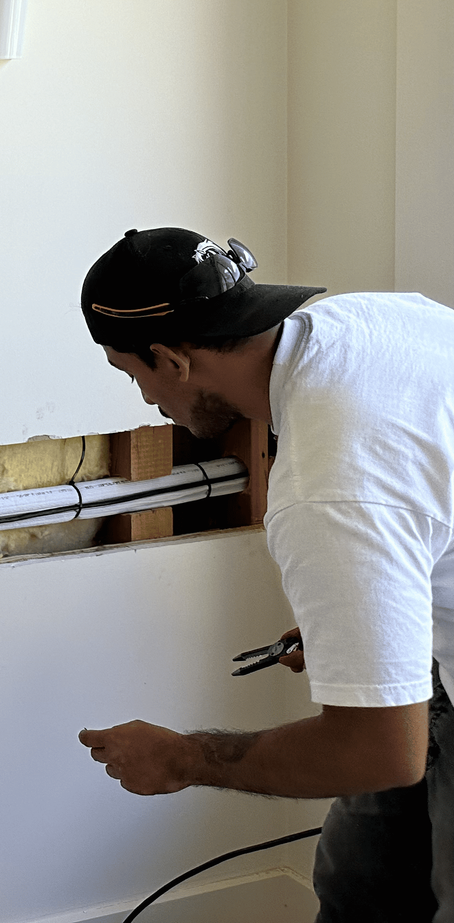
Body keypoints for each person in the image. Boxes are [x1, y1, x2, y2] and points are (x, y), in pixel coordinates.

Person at [73, 227, 454, 921]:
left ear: (171, 359)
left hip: (421, 710)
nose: (147, 400)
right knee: (359, 889)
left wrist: (186, 759)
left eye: (133, 375)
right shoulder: (368, 321)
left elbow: (379, 753)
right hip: (437, 653)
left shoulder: (324, 488)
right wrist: (364, 622)